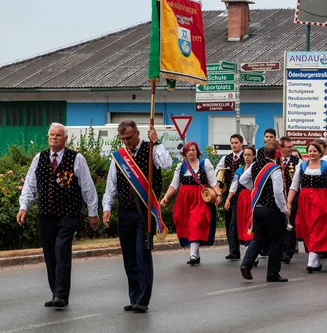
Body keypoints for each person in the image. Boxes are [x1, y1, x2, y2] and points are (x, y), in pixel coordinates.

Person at [17, 123, 99, 308]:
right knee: (49, 252)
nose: (54, 138)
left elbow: (88, 187)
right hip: (46, 213)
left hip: (68, 213)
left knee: (62, 248)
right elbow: (30, 184)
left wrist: (93, 213)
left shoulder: (76, 159)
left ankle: (62, 294)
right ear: (48, 137)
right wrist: (24, 207)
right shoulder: (40, 158)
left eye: (58, 135)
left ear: (65, 138)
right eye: (52, 135)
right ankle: (55, 291)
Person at [102, 120, 172, 313]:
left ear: (137, 134)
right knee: (129, 257)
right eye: (122, 138)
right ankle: (134, 296)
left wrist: (156, 142)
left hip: (145, 212)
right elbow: (111, 186)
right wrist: (106, 208)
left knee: (142, 254)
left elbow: (166, 164)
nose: (126, 142)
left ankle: (143, 298)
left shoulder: (151, 149)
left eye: (129, 138)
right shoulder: (119, 157)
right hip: (125, 212)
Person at [287, 142, 327, 273]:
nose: (312, 153)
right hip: (305, 200)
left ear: (320, 153)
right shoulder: (301, 166)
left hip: (321, 200)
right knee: (308, 229)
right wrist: (289, 202)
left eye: (314, 151)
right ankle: (316, 261)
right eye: (310, 151)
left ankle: (310, 261)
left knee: (318, 229)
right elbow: (294, 186)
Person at [160, 141, 220, 265]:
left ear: (197, 151)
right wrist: (165, 197)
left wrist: (218, 194)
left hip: (200, 197)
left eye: (193, 150)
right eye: (188, 150)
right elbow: (174, 184)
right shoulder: (181, 166)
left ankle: (192, 254)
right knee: (183, 222)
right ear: (184, 153)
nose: (191, 152)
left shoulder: (205, 164)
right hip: (185, 198)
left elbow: (213, 181)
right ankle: (196, 254)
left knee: (196, 222)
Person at [239, 143, 290, 282]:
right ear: (277, 154)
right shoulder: (275, 169)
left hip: (257, 209)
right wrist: (284, 209)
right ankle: (272, 274)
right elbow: (278, 193)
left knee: (258, 239)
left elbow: (242, 179)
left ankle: (246, 264)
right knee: (276, 241)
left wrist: (256, 190)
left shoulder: (255, 165)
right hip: (272, 210)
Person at [216, 134, 245, 260]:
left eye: (236, 142)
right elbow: (217, 174)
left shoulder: (247, 157)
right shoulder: (225, 159)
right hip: (227, 192)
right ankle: (233, 249)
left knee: (235, 222)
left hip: (242, 193)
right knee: (229, 222)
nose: (234, 145)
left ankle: (237, 249)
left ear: (241, 143)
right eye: (232, 143)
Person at [224, 146, 256, 246]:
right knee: (242, 222)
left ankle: (252, 247)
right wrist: (228, 199)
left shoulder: (256, 169)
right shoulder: (239, 170)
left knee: (251, 222)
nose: (247, 157)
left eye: (249, 155)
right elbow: (234, 186)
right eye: (245, 155)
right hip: (242, 198)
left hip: (253, 197)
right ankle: (247, 246)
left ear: (254, 156)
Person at [279, 137, 301, 263]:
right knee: (278, 224)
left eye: (292, 146)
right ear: (281, 148)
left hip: (293, 197)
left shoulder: (296, 161)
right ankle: (278, 249)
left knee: (290, 223)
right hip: (277, 197)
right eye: (288, 147)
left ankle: (288, 251)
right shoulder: (275, 160)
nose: (291, 149)